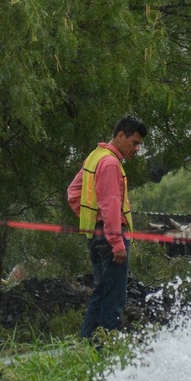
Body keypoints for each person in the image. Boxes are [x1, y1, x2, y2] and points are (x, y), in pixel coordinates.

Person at [67, 115, 147, 339]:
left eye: (140, 144)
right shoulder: (111, 163)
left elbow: (73, 194)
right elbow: (111, 203)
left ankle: (87, 346)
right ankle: (105, 352)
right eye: (135, 142)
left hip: (96, 236)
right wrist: (116, 241)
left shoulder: (95, 157)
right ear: (120, 136)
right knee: (113, 297)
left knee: (101, 292)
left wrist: (93, 221)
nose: (138, 148)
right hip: (111, 238)